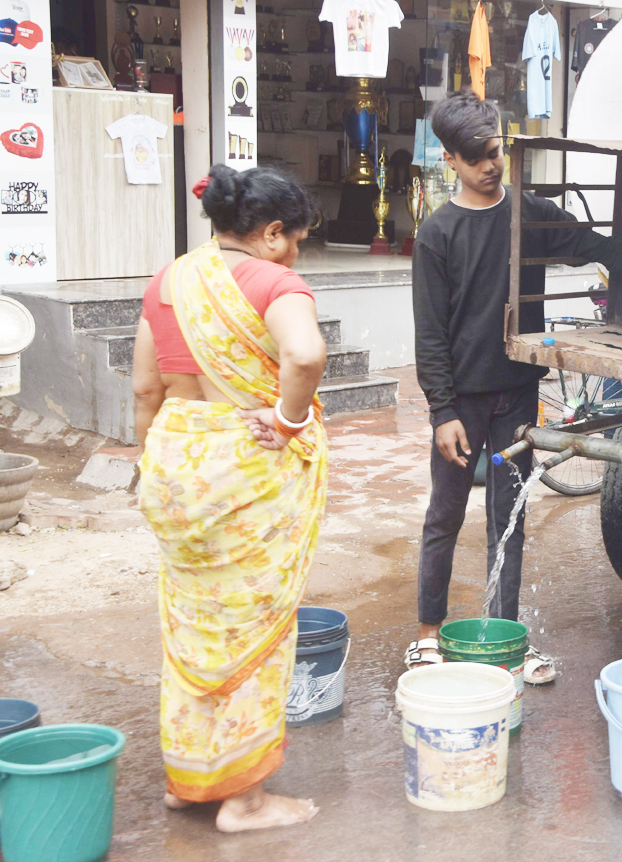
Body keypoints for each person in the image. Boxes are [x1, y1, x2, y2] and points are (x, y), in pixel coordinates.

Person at [407, 91, 622, 680]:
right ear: (449, 159)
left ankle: (505, 637)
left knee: (510, 516)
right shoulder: (438, 235)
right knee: (445, 514)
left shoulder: (528, 213)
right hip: (461, 402)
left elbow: (596, 245)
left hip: (515, 392)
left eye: (496, 151)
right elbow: (429, 334)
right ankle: (427, 633)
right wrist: (440, 411)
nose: (490, 165)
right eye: (475, 157)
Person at [132, 165, 329, 833]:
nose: (297, 251)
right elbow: (303, 355)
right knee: (255, 632)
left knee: (191, 631)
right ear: (272, 234)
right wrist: (288, 421)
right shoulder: (275, 282)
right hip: (243, 473)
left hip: (174, 465)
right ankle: (244, 799)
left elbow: (144, 391)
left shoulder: (168, 281)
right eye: (296, 238)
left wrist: (159, 466)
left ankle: (189, 784)